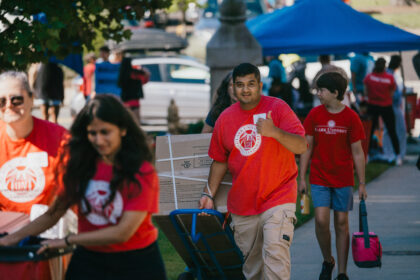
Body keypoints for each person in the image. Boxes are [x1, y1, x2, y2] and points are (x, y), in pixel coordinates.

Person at [0, 94, 167, 280]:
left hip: (136, 263)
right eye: (92, 133)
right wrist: (11, 239)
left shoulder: (141, 172)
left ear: (122, 130)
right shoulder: (80, 167)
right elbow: (53, 213)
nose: (98, 140)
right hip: (89, 260)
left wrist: (66, 241)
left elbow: (123, 232)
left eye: (105, 132)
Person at [199, 63, 307, 279]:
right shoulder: (225, 118)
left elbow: (301, 145)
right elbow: (220, 162)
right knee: (253, 269)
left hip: (279, 196)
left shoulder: (277, 108)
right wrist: (208, 193)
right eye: (240, 85)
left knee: (275, 255)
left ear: (260, 85)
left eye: (250, 84)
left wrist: (275, 132)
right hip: (243, 204)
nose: (245, 90)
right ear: (233, 87)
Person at [299, 71, 367, 280]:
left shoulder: (351, 117)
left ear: (335, 93)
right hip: (319, 177)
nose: (318, 93)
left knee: (341, 223)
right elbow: (306, 147)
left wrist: (362, 183)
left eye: (321, 90)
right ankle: (328, 260)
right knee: (320, 220)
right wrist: (302, 176)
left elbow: (358, 152)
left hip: (343, 179)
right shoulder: (315, 115)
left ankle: (342, 273)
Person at [0, 71, 67, 214]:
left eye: (16, 99)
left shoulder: (60, 138)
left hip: (47, 226)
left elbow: (70, 191)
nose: (9, 106)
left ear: (31, 98)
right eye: (1, 101)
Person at [364, 57, 400, 164]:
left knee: (369, 131)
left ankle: (367, 155)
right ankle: (397, 156)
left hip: (372, 105)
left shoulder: (369, 77)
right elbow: (392, 93)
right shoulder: (389, 77)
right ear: (385, 66)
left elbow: (366, 92)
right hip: (386, 105)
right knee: (392, 130)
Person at [382, 55, 406, 162]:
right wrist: (401, 93)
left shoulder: (391, 74)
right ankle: (392, 153)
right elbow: (392, 92)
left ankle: (395, 152)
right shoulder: (390, 75)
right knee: (392, 129)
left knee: (394, 129)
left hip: (393, 104)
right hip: (392, 104)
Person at [118, 56, 150, 125]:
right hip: (135, 101)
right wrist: (141, 68)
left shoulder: (121, 75)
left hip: (125, 101)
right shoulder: (136, 74)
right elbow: (146, 76)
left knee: (126, 123)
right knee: (136, 123)